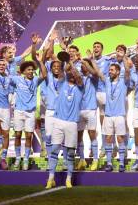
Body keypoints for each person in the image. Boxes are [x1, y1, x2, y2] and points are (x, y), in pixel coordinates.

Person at [45, 59, 84, 189]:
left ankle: (68, 179)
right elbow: (63, 72)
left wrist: (73, 66)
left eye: (74, 73)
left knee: (70, 153)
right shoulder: (62, 83)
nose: (72, 74)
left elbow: (78, 77)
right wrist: (67, 60)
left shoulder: (80, 88)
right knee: (54, 150)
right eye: (70, 73)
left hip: (72, 123)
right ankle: (50, 178)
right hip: (58, 121)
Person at [9, 34, 45, 170]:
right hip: (18, 111)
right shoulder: (17, 79)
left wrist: (40, 61)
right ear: (23, 71)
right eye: (28, 69)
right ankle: (18, 158)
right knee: (18, 134)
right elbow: (6, 73)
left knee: (29, 135)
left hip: (30, 112)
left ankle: (26, 159)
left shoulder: (36, 80)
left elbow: (44, 75)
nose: (31, 71)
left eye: (32, 69)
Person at [102, 57, 134, 172]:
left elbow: (128, 71)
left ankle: (121, 163)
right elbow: (97, 72)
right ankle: (109, 163)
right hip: (108, 115)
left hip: (120, 115)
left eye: (112, 70)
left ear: (117, 72)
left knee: (120, 139)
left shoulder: (124, 82)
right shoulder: (107, 81)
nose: (109, 71)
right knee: (108, 138)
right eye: (109, 70)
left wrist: (124, 56)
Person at [76, 50, 103, 171]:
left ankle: (95, 160)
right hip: (79, 109)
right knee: (78, 136)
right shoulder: (78, 77)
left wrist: (86, 61)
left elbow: (95, 73)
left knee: (92, 134)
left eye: (84, 65)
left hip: (91, 109)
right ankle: (82, 160)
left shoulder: (94, 77)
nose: (82, 66)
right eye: (81, 65)